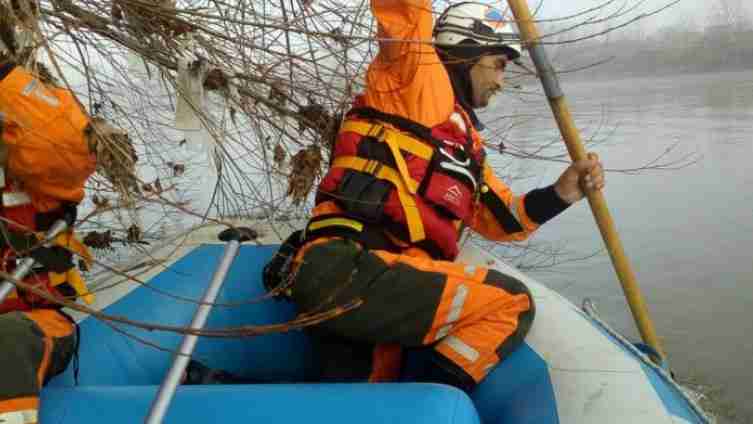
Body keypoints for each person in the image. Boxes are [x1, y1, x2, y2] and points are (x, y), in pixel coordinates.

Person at [265, 1, 605, 392]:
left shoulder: (463, 146)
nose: (501, 81)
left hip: (380, 282)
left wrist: (564, 192)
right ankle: (427, 403)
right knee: (511, 302)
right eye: (498, 64)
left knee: (362, 391)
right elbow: (406, 12)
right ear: (464, 53)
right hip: (351, 267)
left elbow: (505, 219)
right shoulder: (414, 77)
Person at [0, 60, 98, 423]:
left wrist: (3, 79)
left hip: (31, 323)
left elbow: (66, 146)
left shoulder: (31, 170)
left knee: (5, 338)